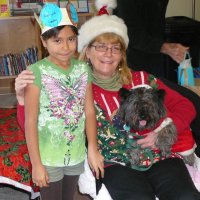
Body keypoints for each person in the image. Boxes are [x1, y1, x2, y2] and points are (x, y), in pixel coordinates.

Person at [15, 0, 200, 199]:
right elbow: (37, 124)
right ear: (87, 51)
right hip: (115, 163)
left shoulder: (142, 79)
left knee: (186, 196)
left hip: (161, 156)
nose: (108, 54)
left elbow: (187, 105)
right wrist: (21, 100)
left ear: (122, 54)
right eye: (101, 47)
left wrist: (164, 129)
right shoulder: (75, 86)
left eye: (115, 48)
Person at [21, 3, 104, 200]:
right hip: (48, 157)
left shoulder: (83, 69)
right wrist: (37, 164)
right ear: (44, 41)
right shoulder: (36, 71)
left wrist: (92, 147)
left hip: (75, 154)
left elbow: (89, 111)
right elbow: (30, 120)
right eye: (57, 40)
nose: (65, 47)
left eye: (71, 39)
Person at [114, 0, 189, 80]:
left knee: (158, 88)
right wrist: (164, 47)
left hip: (155, 55)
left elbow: (156, 23)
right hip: (130, 58)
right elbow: (131, 33)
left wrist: (165, 46)